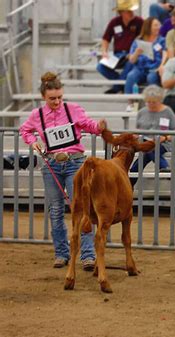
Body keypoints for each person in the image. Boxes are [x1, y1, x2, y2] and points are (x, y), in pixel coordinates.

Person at [19, 72, 107, 270]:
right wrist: (33, 143)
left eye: (59, 97)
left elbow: (89, 125)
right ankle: (61, 253)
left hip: (75, 163)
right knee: (56, 210)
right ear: (44, 97)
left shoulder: (73, 110)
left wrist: (99, 127)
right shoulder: (37, 115)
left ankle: (87, 255)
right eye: (52, 99)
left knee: (82, 209)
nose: (57, 101)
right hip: (51, 165)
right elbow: (24, 130)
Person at [130, 85, 175, 187]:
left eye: (154, 102)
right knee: (144, 154)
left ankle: (129, 184)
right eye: (148, 102)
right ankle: (164, 167)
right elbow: (137, 131)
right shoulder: (142, 112)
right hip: (145, 142)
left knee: (148, 150)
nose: (151, 104)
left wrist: (165, 137)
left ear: (160, 100)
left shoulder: (167, 112)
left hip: (163, 142)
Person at [97, 0, 144, 94]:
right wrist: (104, 52)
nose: (131, 13)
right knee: (100, 67)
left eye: (132, 10)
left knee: (130, 63)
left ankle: (116, 88)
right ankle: (121, 85)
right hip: (118, 55)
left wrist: (133, 53)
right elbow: (106, 39)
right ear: (121, 12)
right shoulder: (114, 22)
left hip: (132, 54)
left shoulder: (139, 22)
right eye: (128, 11)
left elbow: (143, 39)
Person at [125, 17, 167, 111]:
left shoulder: (162, 40)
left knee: (151, 77)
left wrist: (161, 63)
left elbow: (166, 54)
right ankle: (130, 103)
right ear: (149, 27)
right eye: (155, 25)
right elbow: (132, 60)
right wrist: (136, 53)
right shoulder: (138, 40)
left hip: (154, 68)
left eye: (159, 25)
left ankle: (155, 102)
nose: (158, 27)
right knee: (131, 76)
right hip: (140, 68)